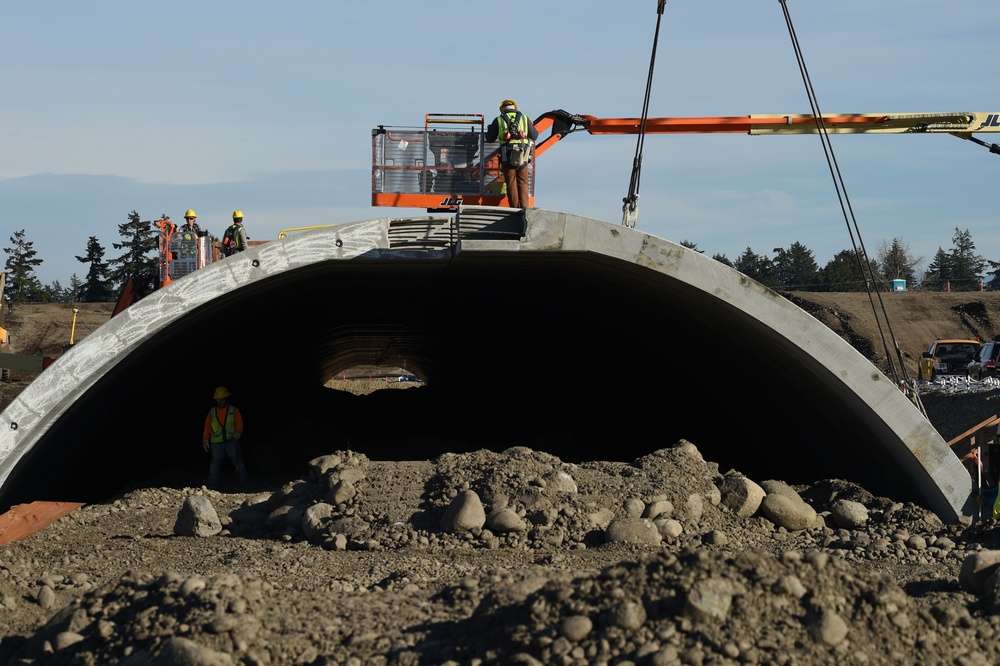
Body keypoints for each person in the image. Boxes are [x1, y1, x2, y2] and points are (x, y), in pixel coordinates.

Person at [485, 99, 538, 209]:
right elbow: (534, 136)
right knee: (522, 182)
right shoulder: (524, 118)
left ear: (502, 109)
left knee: (511, 182)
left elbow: (490, 138)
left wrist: (490, 129)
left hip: (507, 155)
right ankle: (525, 208)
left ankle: (514, 208)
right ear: (515, 108)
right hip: (523, 155)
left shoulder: (499, 120)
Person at [202, 386, 249, 488]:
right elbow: (207, 427)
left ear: (226, 398)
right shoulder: (212, 412)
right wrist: (205, 439)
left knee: (237, 462)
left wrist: (239, 432)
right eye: (217, 399)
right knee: (214, 465)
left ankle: (243, 484)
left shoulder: (233, 410)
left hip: (231, 440)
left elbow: (239, 423)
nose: (219, 401)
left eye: (221, 399)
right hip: (216, 443)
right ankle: (212, 486)